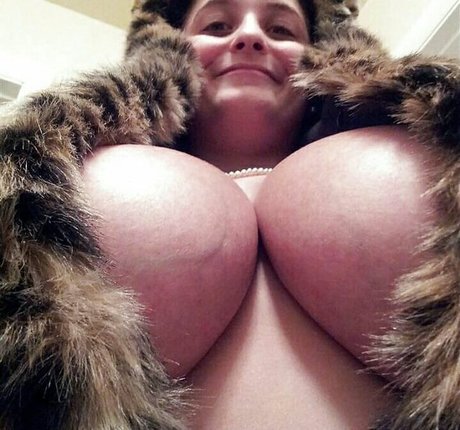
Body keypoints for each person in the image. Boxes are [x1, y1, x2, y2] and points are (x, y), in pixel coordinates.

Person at [81, 0, 439, 428]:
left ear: (325, 56)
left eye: (282, 30)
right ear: (168, 52)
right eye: (217, 25)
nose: (249, 36)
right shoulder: (64, 170)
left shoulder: (428, 155)